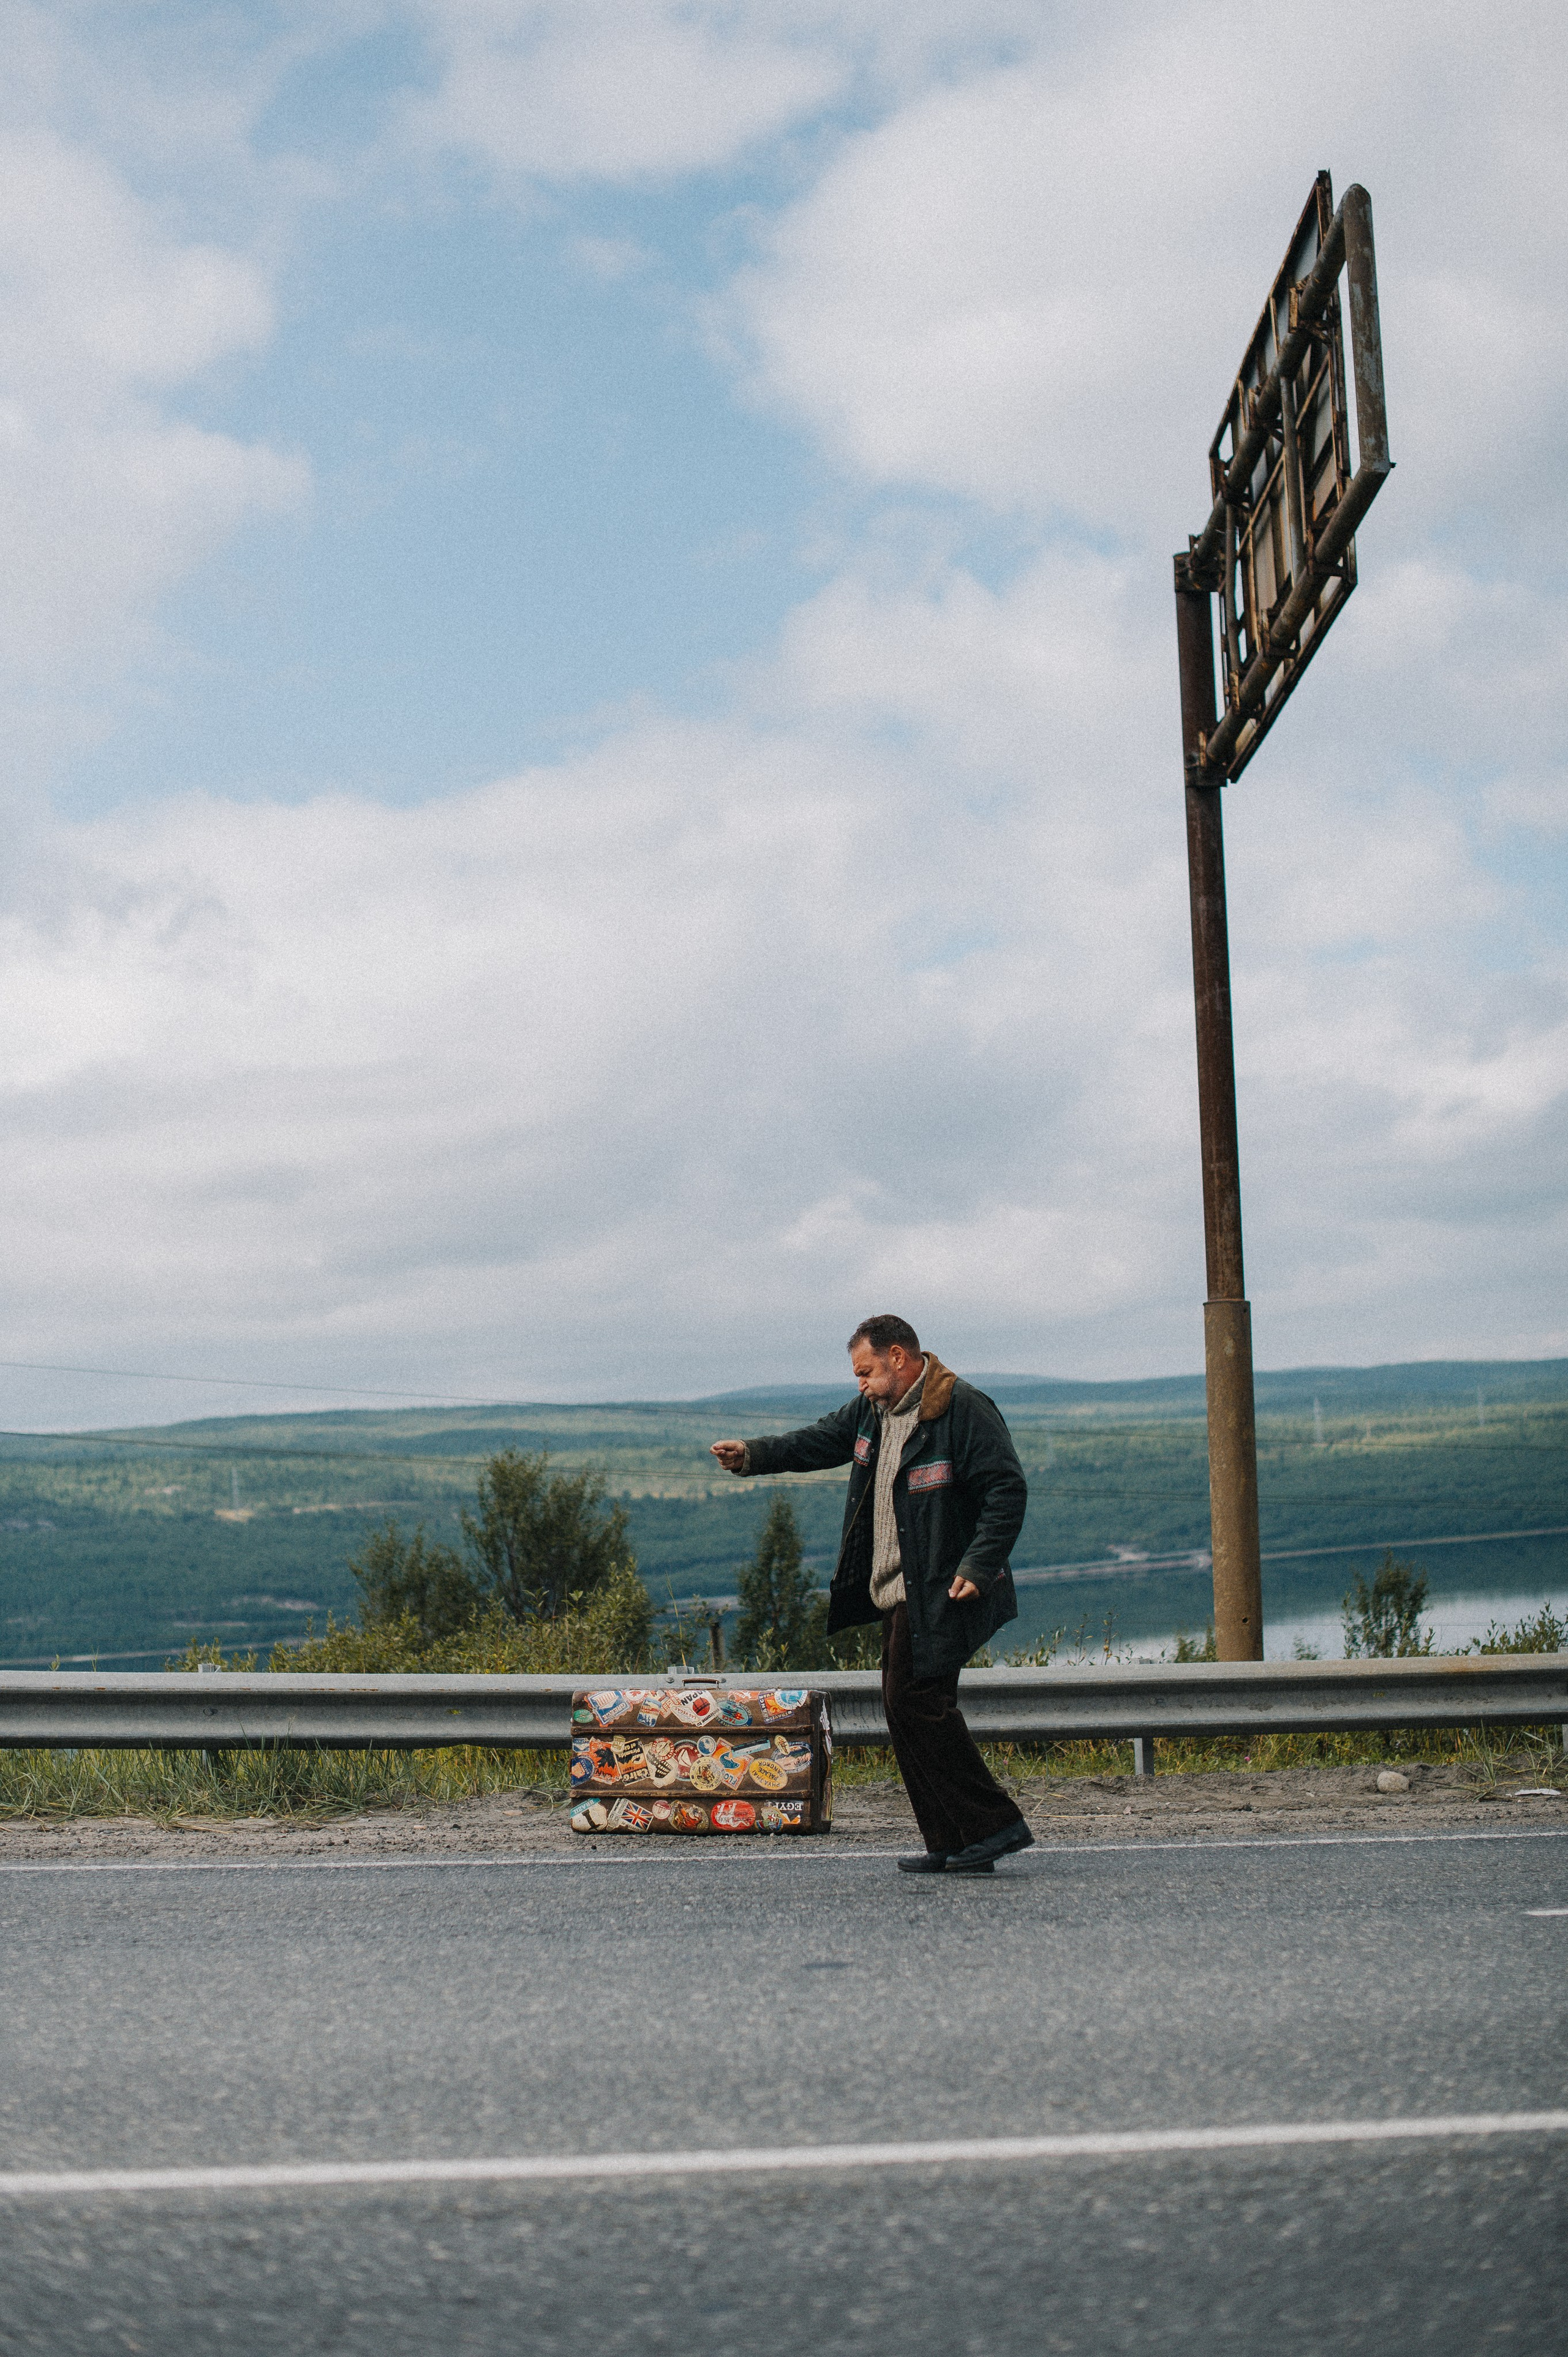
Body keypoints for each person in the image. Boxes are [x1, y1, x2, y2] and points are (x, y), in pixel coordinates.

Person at [710, 1314, 1033, 1875]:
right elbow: (816, 1441)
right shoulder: (873, 1413)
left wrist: (979, 1564)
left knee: (917, 1705)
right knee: (908, 1709)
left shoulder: (961, 1409)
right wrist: (754, 1455)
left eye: (867, 1372)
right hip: (895, 1589)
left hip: (942, 1588)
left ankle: (992, 1826)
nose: (860, 1383)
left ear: (899, 1359)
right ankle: (953, 1840)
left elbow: (1006, 1489)